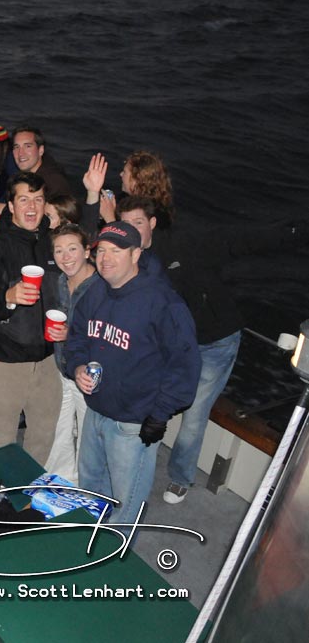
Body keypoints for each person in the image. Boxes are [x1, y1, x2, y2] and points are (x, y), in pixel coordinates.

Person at [66, 222, 200, 526]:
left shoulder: (163, 302)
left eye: (116, 251)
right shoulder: (96, 291)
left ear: (136, 254)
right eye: (102, 250)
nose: (106, 258)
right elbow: (77, 338)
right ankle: (88, 545)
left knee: (125, 507)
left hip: (133, 423)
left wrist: (159, 415)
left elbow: (185, 365)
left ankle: (117, 554)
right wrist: (77, 366)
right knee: (90, 491)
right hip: (95, 412)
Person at [116, 194, 244, 504]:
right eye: (126, 223)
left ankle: (181, 477)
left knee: (194, 411)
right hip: (172, 339)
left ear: (152, 223)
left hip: (214, 339)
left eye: (138, 223)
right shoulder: (130, 255)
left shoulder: (178, 248)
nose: (132, 229)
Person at [0, 171, 62, 463]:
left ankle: (29, 491)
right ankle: (0, 493)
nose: (32, 207)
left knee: (43, 440)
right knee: (0, 448)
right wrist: (8, 297)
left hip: (47, 362)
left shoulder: (53, 241)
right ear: (11, 206)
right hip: (5, 363)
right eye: (24, 200)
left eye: (38, 199)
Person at [43, 224, 97, 483]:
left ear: (86, 251)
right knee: (57, 430)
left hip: (88, 374)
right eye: (59, 251)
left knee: (88, 438)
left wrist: (71, 334)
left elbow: (105, 335)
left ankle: (84, 488)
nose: (66, 257)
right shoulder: (60, 281)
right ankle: (59, 482)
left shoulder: (100, 286)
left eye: (72, 249)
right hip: (61, 369)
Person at [9, 127, 72, 201]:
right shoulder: (27, 174)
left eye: (28, 146)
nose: (20, 153)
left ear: (41, 150)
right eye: (16, 147)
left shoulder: (53, 182)